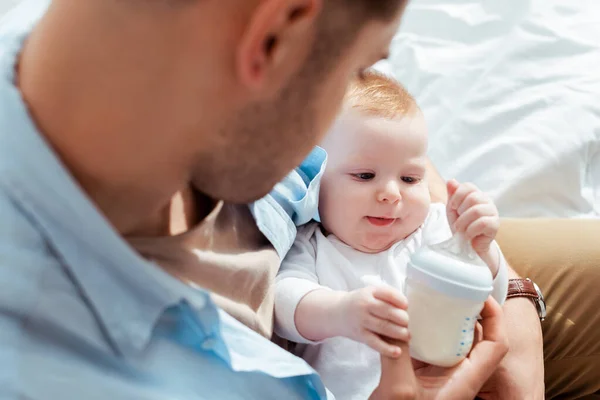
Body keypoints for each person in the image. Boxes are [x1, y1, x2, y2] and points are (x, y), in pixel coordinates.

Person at [0, 0, 509, 399]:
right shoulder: (52, 367)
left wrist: (518, 304)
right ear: (274, 38)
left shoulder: (95, 57)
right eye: (357, 69)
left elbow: (390, 152)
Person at [274, 71, 509, 400]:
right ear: (317, 181)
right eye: (365, 175)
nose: (390, 194)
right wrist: (341, 312)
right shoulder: (312, 244)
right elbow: (283, 303)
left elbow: (491, 301)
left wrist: (481, 251)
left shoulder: (437, 230)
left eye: (411, 179)